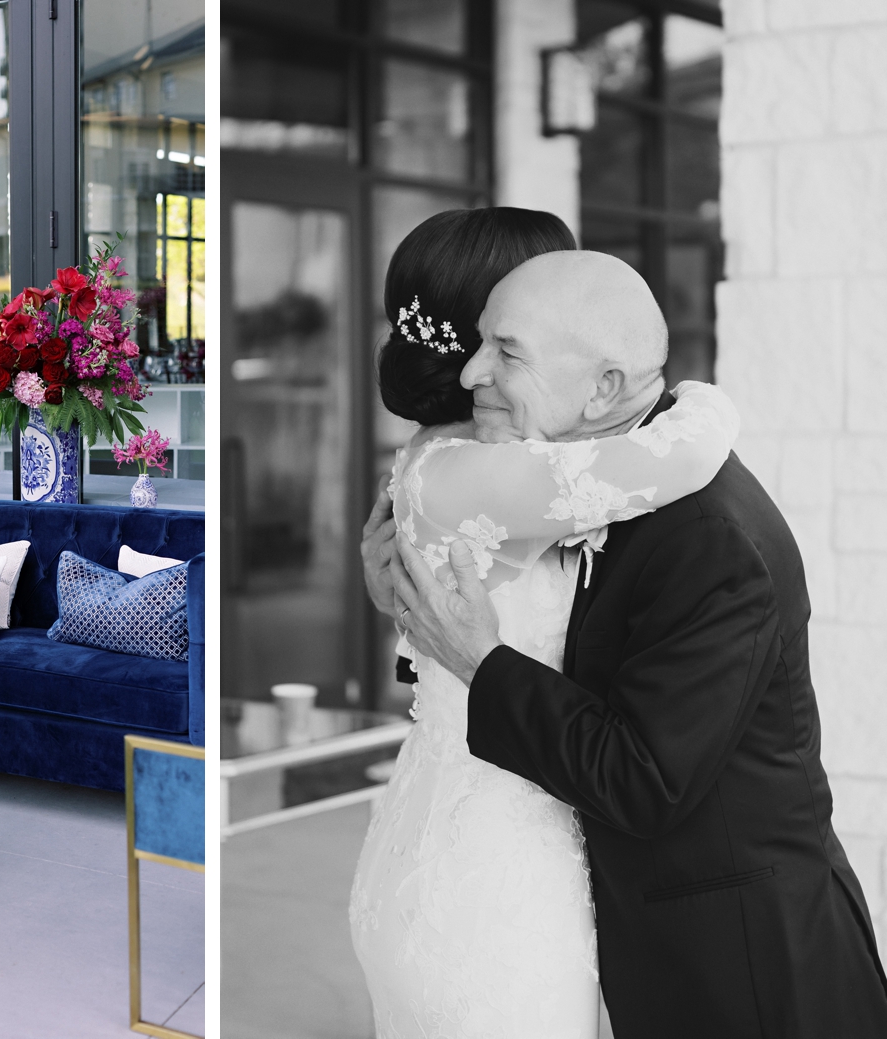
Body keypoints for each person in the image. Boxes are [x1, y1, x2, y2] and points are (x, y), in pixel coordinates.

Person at [368, 249, 887, 1037]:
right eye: (479, 341)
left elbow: (642, 776)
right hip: (616, 929)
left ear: (605, 389)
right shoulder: (596, 473)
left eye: (507, 351)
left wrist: (481, 663)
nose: (473, 371)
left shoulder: (709, 537)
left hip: (743, 970)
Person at [350, 212, 741, 1038]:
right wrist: (695, 393)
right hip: (495, 864)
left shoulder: (436, 458)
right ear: (477, 344)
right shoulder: (496, 472)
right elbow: (678, 456)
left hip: (443, 825)